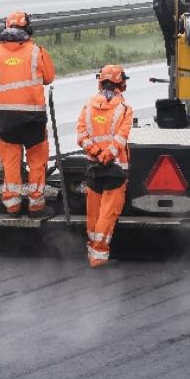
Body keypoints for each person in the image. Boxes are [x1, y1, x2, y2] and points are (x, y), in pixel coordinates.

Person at [0, 10, 57, 214]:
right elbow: (49, 78)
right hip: (33, 117)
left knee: (10, 161)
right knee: (37, 160)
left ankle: (12, 205)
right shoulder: (37, 51)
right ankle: (36, 205)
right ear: (27, 28)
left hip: (5, 118)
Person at [75, 65, 134, 267]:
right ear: (121, 83)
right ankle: (99, 255)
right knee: (108, 213)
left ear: (101, 82)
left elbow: (81, 135)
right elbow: (121, 138)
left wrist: (97, 153)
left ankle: (92, 249)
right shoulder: (124, 109)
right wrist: (107, 155)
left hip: (94, 168)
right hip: (115, 168)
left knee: (93, 213)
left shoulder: (88, 106)